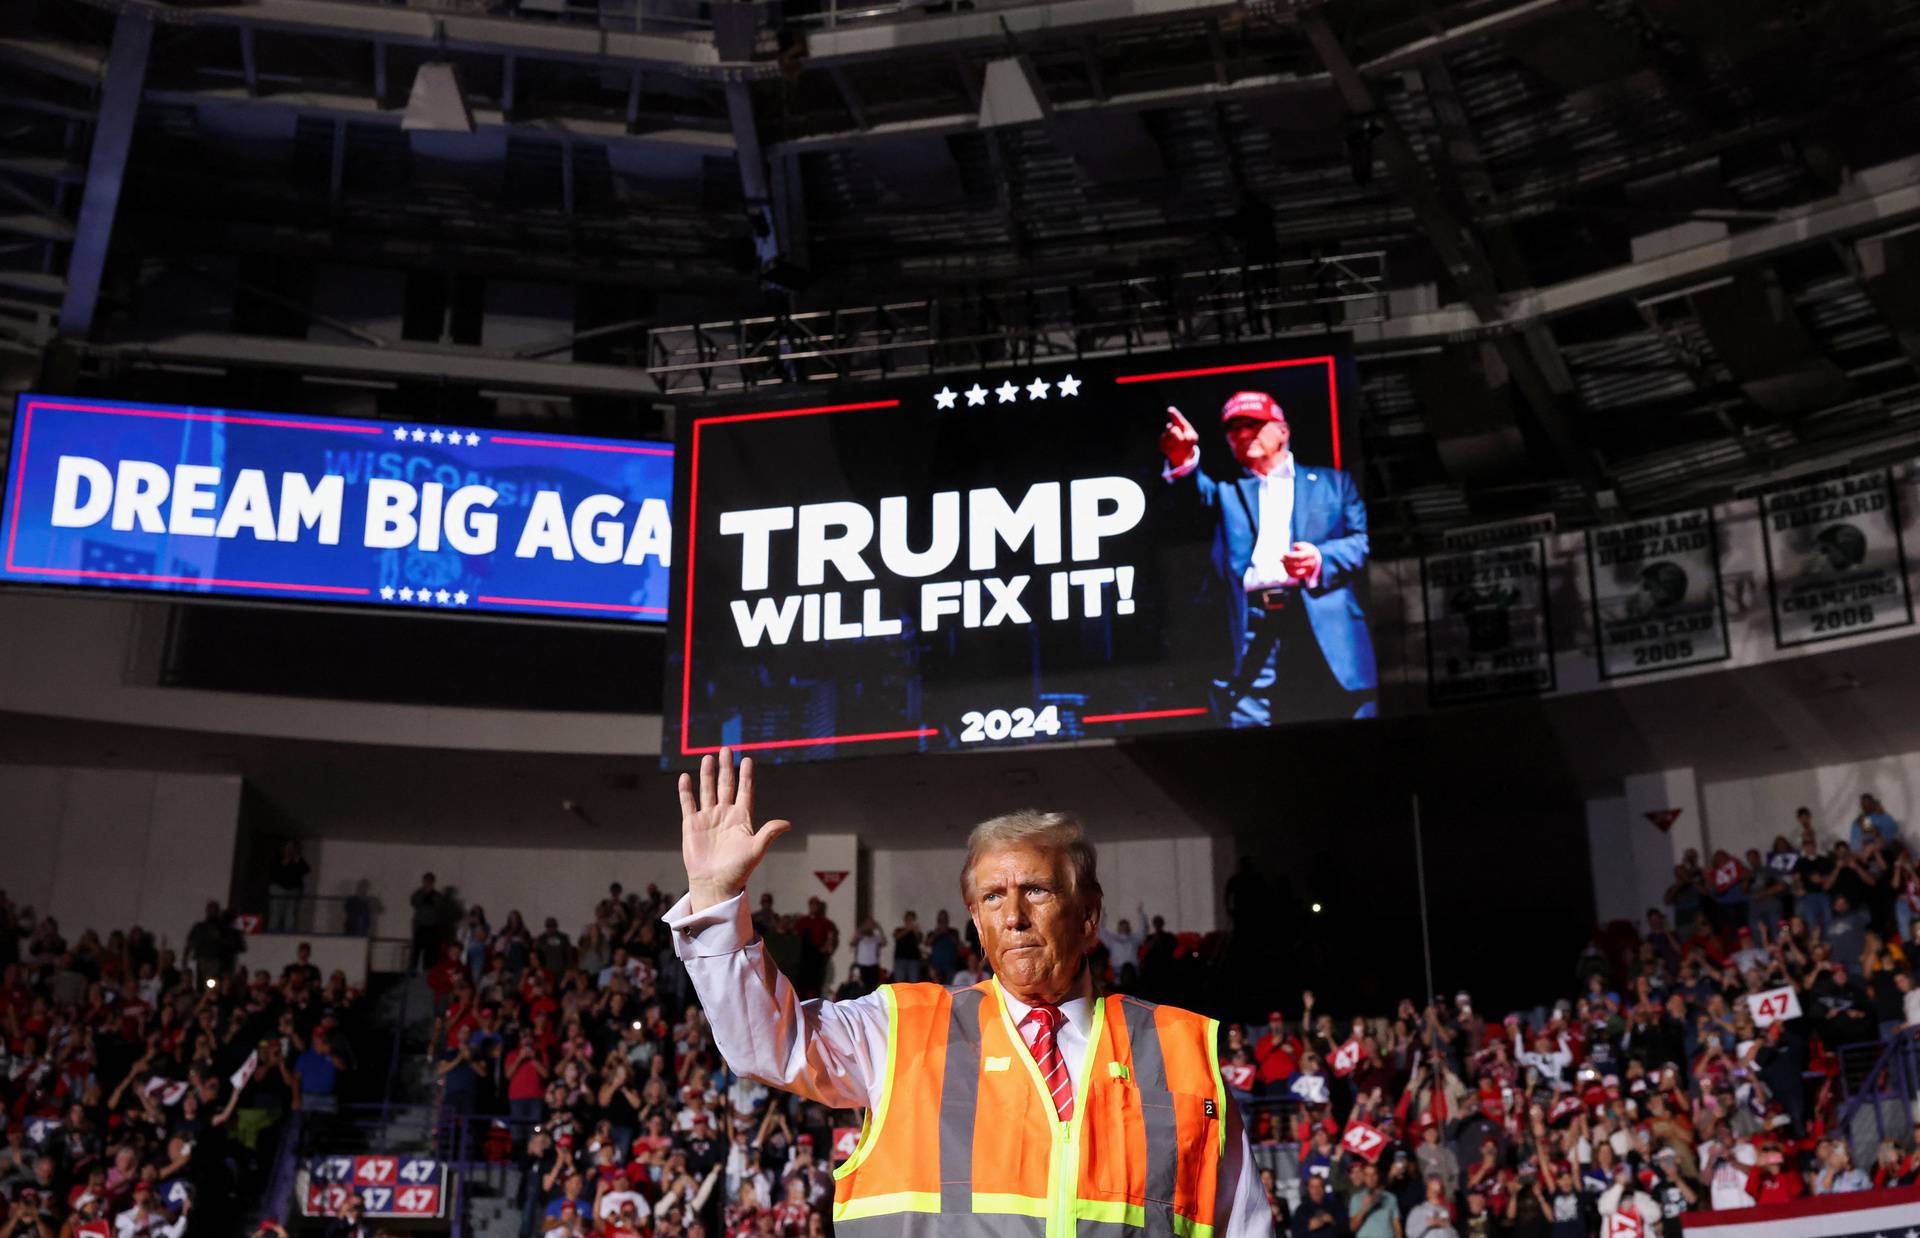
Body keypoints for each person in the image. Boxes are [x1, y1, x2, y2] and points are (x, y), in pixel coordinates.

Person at [664, 747, 1268, 1238]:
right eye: (991, 899)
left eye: (1036, 890)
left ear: (1088, 916)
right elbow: (768, 1045)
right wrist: (717, 902)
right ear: (975, 923)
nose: (1013, 916)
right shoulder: (900, 1029)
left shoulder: (1185, 1050)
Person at [1158, 391, 1376, 723]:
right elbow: (1189, 498)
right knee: (1247, 728)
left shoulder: (1333, 483)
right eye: (1234, 429)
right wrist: (1182, 458)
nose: (1243, 434)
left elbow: (1361, 541)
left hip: (1319, 619)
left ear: (1283, 431)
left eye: (1254, 425)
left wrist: (1319, 558)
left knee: (1337, 721)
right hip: (1250, 623)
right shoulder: (1224, 491)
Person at [266, 841, 310, 934]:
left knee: (290, 913)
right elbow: (273, 871)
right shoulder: (277, 858)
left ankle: (288, 932)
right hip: (278, 888)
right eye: (288, 847)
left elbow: (306, 869)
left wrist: (298, 861)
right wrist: (284, 863)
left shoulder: (298, 859)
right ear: (283, 848)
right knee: (276, 912)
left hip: (293, 889)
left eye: (292, 847)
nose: (290, 850)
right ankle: (271, 931)